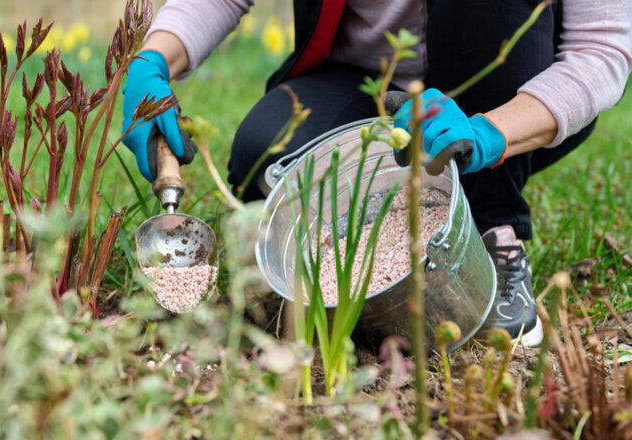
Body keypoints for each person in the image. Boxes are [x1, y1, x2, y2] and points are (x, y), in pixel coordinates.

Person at [121, 0, 632, 347]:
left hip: (503, 96)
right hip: (363, 83)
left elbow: (603, 50)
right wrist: (153, 57)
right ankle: (352, 241)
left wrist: (491, 133)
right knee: (264, 154)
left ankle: (495, 229)